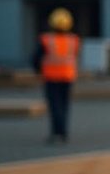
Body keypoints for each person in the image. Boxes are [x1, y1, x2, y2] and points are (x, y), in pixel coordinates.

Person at [31, 8, 81, 144]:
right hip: (67, 77)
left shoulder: (46, 40)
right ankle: (63, 133)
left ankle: (56, 133)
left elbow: (36, 58)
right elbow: (75, 56)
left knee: (55, 106)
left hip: (51, 78)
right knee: (64, 106)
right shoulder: (73, 40)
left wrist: (37, 71)